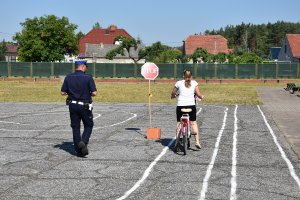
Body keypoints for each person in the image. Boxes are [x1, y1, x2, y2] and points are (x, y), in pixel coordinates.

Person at [61, 60, 97, 157]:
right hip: (84, 105)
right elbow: (94, 93)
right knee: (89, 125)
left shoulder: (68, 77)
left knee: (75, 127)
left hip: (72, 105)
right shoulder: (88, 77)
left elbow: (62, 92)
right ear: (83, 67)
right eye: (85, 66)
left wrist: (71, 93)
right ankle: (84, 142)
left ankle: (78, 151)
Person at [171, 69, 204, 149]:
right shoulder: (194, 83)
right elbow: (198, 94)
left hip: (180, 106)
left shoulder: (178, 83)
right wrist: (201, 96)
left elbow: (173, 93)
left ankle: (177, 142)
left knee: (179, 122)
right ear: (191, 76)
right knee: (193, 122)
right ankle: (197, 142)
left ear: (183, 76)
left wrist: (173, 96)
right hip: (191, 106)